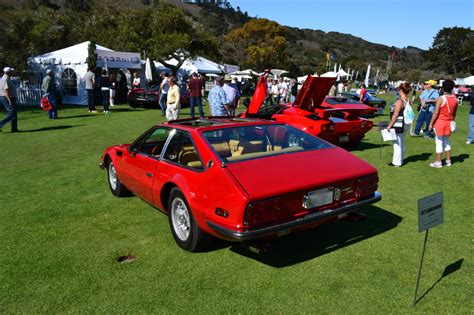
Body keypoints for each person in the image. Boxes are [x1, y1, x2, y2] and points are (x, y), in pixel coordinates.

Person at [428, 79, 458, 168]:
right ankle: (448, 161)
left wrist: (430, 124)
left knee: (439, 142)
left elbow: (436, 113)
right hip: (449, 122)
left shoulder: (441, 98)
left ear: (443, 88)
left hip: (440, 122)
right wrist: (452, 120)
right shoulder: (455, 99)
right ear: (452, 88)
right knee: (446, 142)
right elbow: (454, 113)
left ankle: (438, 162)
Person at [386, 82, 412, 167]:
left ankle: (396, 162)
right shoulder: (408, 100)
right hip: (406, 123)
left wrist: (389, 126)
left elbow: (395, 115)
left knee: (396, 143)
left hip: (399, 124)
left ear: (400, 90)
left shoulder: (400, 101)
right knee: (401, 141)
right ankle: (401, 159)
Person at [0, 67, 19, 133]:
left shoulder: (7, 78)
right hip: (8, 97)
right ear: (8, 72)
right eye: (11, 71)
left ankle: (14, 128)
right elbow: (6, 90)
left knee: (13, 113)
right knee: (12, 113)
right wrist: (9, 100)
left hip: (9, 97)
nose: (12, 72)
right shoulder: (5, 79)